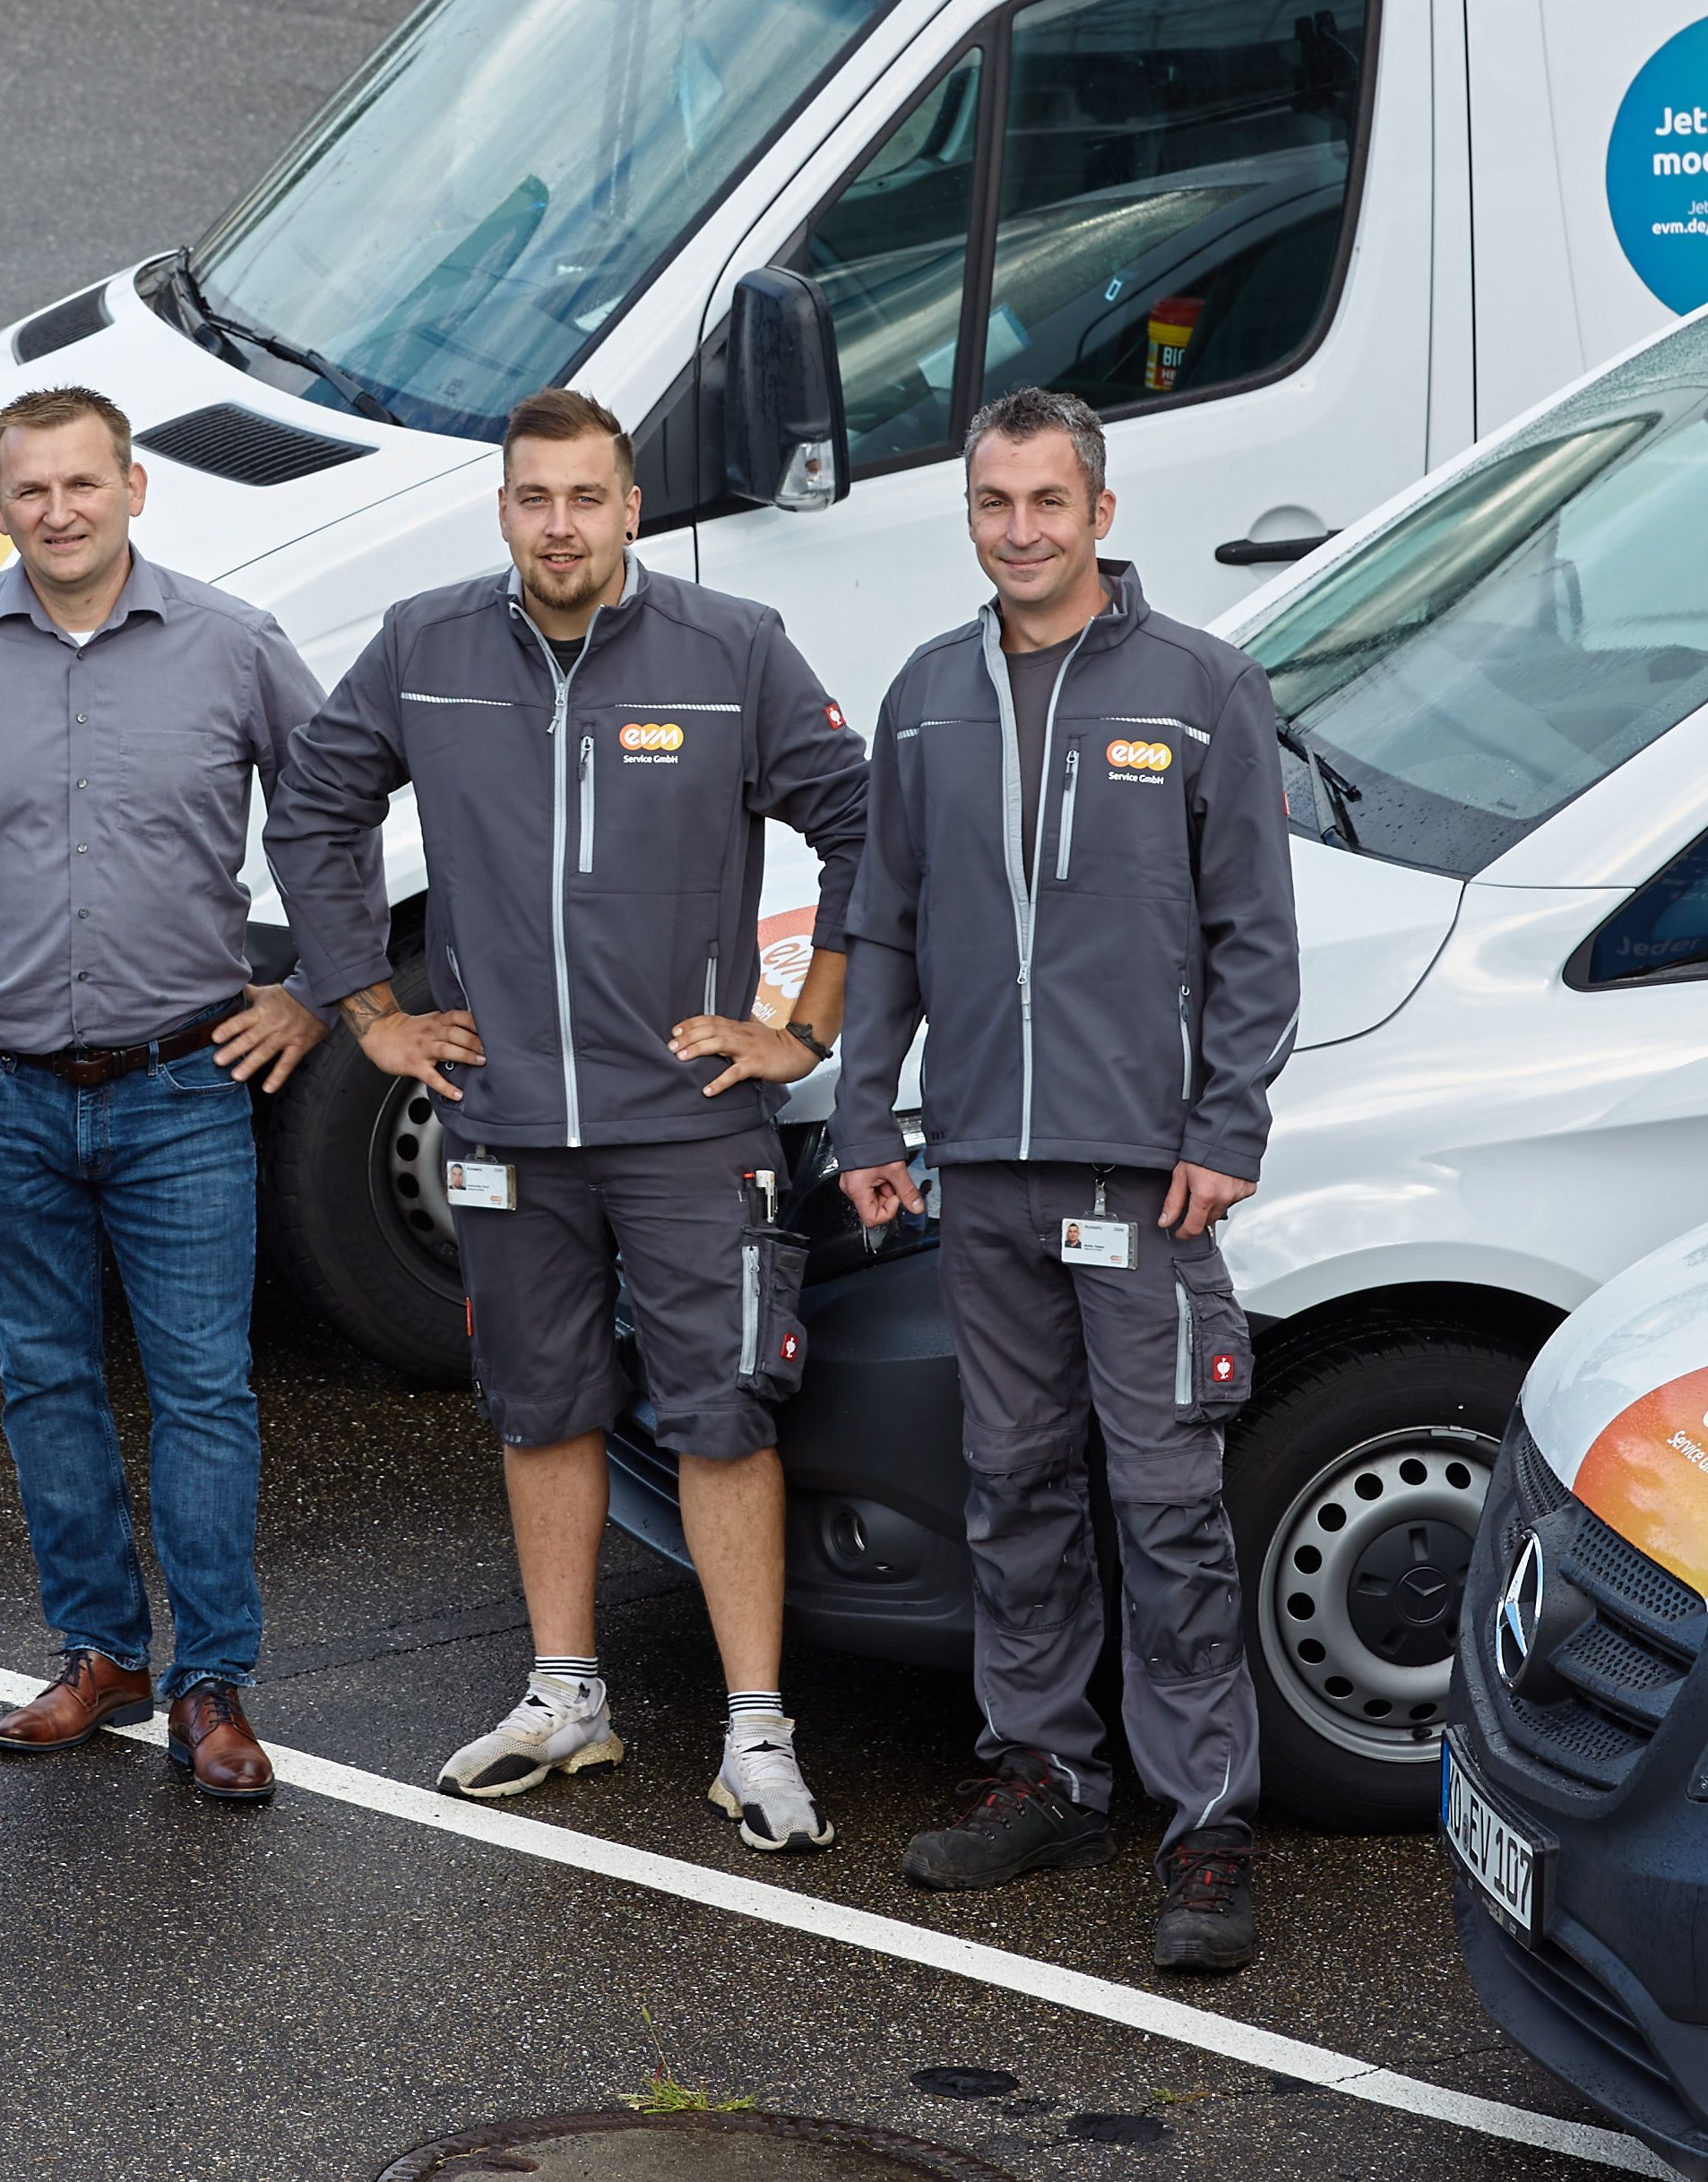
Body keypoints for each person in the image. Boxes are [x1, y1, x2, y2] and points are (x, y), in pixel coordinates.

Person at [268, 386, 872, 1855]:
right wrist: (369, 1015)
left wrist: (804, 1029)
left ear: (630, 510)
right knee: (540, 1408)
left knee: (722, 1417)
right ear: (503, 511)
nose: (559, 526)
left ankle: (754, 1730)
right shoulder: (427, 645)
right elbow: (311, 806)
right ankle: (563, 1695)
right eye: (533, 500)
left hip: (689, 1123)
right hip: (503, 1122)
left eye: (585, 499)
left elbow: (863, 824)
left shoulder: (731, 652)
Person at [0, 384, 329, 1803]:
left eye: (82, 484)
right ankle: (102, 1651)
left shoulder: (233, 646)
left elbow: (335, 807)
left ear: (134, 487)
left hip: (182, 1088)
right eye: (29, 491)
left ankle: (212, 1685)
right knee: (45, 1381)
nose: (58, 511)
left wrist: (321, 991)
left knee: (204, 1391)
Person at [829, 387, 1298, 1976]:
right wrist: (866, 1124)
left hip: (1145, 1187)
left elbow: (1253, 938)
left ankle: (1208, 1826)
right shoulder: (923, 698)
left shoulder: (1199, 689)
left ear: (1100, 513)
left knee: (1167, 1510)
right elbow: (880, 925)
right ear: (968, 515)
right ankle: (1042, 1772)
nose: (1018, 530)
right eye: (990, 503)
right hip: (982, 1175)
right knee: (1015, 1493)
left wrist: (1223, 1126)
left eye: (1045, 502)